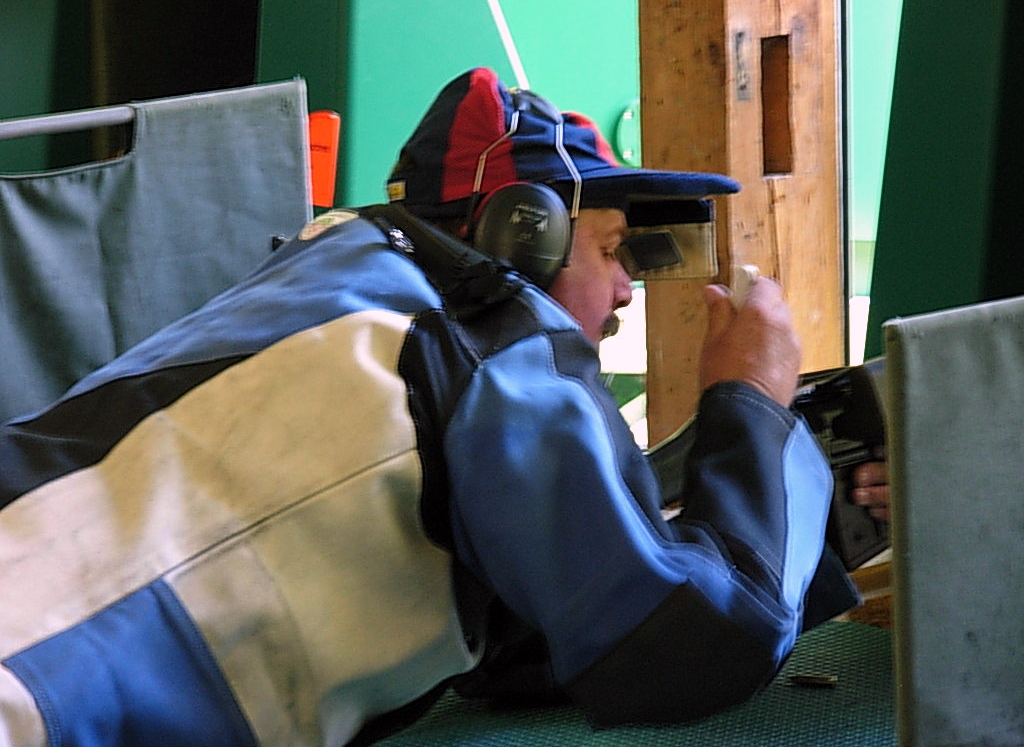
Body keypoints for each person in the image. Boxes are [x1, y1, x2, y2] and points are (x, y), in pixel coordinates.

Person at [0, 67, 882, 747]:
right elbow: (693, 647)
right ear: (521, 232)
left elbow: (515, 640)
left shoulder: (336, 287)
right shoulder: (478, 333)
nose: (625, 291)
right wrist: (752, 400)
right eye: (613, 249)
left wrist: (812, 526)